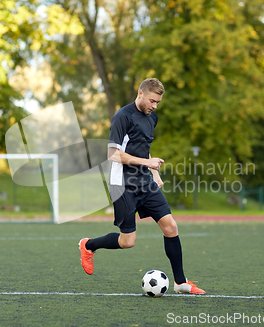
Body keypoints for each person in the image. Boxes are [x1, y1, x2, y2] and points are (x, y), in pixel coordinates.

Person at [78, 78, 205, 294]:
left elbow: (143, 148)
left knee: (171, 227)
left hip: (145, 182)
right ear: (140, 93)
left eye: (158, 102)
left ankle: (181, 282)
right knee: (128, 241)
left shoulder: (152, 118)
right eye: (152, 100)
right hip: (122, 185)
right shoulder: (122, 116)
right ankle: (88, 245)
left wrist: (153, 172)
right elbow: (113, 154)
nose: (155, 106)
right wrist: (147, 163)